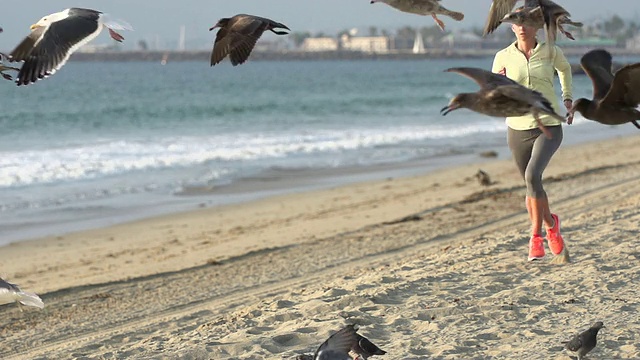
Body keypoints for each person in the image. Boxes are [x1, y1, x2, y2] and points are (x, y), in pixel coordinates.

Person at [491, 22, 573, 261]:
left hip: (548, 125)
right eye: (517, 23)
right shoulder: (502, 57)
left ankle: (536, 238)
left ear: (537, 26)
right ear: (511, 27)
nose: (522, 27)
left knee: (531, 177)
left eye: (527, 23)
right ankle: (552, 225)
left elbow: (565, 69)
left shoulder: (550, 51)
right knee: (532, 186)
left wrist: (567, 97)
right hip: (517, 129)